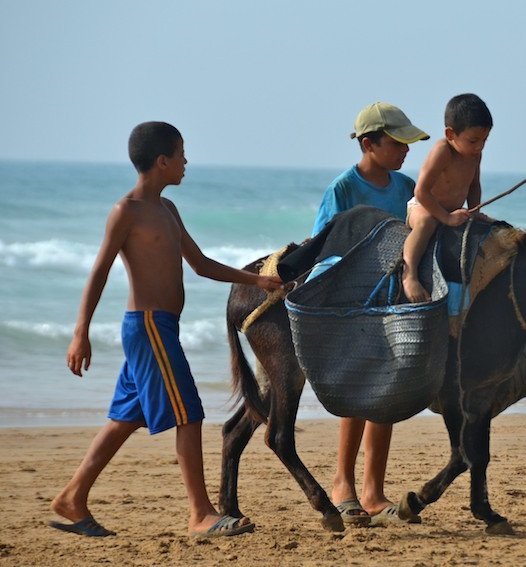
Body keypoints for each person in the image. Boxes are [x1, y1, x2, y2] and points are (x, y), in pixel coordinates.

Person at [52, 122, 285, 538]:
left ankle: (72, 498)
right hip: (148, 327)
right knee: (188, 413)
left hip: (163, 328)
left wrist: (256, 281)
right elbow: (99, 272)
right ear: (162, 161)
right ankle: (201, 514)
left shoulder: (167, 210)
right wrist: (80, 331)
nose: (186, 162)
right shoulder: (127, 211)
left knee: (126, 417)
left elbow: (200, 264)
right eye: (181, 154)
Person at [311, 102, 430, 527]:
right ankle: (342, 483)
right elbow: (325, 249)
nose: (405, 150)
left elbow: (422, 232)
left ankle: (373, 491)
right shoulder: (342, 190)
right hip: (354, 307)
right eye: (397, 143)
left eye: (406, 143)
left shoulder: (406, 186)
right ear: (369, 143)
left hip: (395, 303)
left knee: (387, 394)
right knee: (359, 395)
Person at [402, 93, 492, 302]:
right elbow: (421, 191)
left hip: (452, 211)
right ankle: (410, 275)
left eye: (484, 140)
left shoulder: (475, 155)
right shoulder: (443, 151)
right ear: (450, 134)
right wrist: (445, 218)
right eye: (473, 140)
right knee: (426, 223)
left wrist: (474, 211)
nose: (479, 147)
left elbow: (474, 185)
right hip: (423, 206)